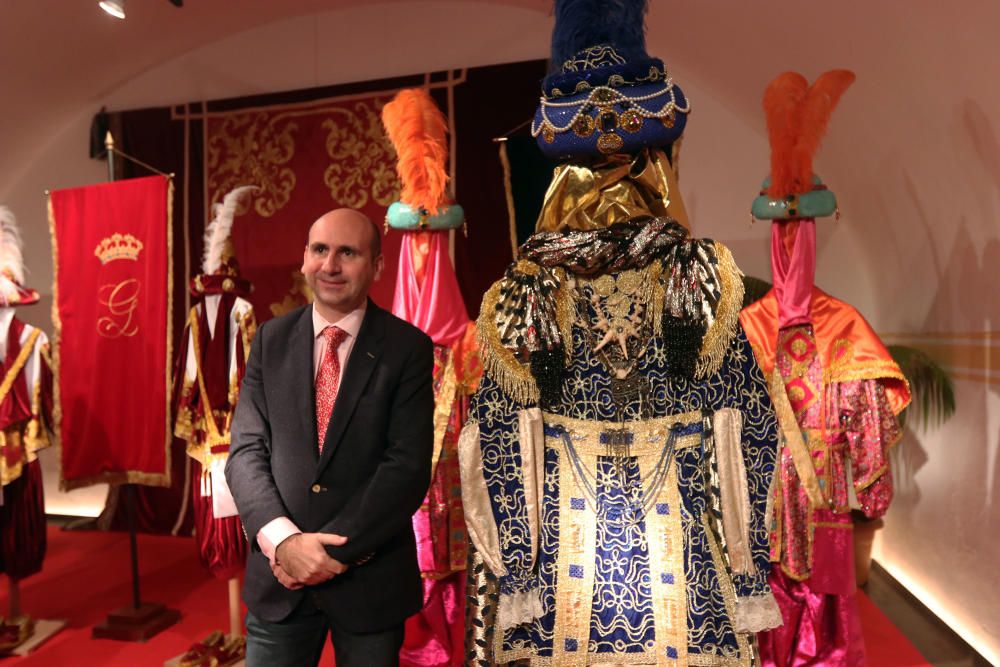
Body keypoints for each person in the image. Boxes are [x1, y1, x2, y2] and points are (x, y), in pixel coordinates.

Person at [226, 208, 434, 667]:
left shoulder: (408, 350)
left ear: (377, 266)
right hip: (280, 580)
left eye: (348, 253)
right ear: (304, 258)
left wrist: (320, 554)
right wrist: (284, 543)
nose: (330, 265)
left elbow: (406, 467)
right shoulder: (269, 340)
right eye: (320, 250)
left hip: (367, 581)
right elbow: (245, 452)